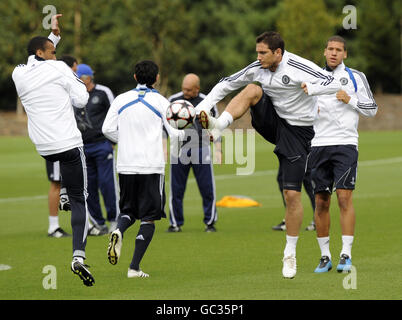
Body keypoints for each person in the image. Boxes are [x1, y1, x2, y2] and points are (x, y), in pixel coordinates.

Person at [196, 31, 341, 279]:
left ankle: (290, 253)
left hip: (299, 134)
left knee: (292, 194)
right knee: (252, 89)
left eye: (263, 53)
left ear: (278, 53)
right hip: (273, 122)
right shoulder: (258, 67)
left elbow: (335, 83)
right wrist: (200, 108)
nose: (258, 57)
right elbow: (225, 83)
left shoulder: (299, 66)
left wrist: (313, 87)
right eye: (257, 52)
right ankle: (219, 125)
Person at [12, 16, 95, 286]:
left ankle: (63, 198)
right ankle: (78, 257)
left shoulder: (19, 73)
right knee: (81, 199)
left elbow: (36, 59)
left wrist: (53, 36)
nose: (56, 54)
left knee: (63, 183)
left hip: (44, 148)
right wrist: (70, 84)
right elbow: (82, 98)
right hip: (69, 144)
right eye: (54, 51)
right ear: (42, 53)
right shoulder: (59, 68)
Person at [102, 60, 186, 278]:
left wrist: (126, 140)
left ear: (134, 77)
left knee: (128, 210)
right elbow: (175, 133)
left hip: (126, 164)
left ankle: (118, 230)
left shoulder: (121, 99)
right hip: (151, 165)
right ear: (157, 78)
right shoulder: (161, 101)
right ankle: (134, 268)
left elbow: (106, 129)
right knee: (149, 217)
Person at [311, 36, 377, 273]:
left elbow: (372, 109)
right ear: (324, 51)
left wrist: (350, 100)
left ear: (345, 54)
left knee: (344, 198)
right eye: (330, 49)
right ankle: (325, 257)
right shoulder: (312, 77)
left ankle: (345, 255)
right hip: (318, 145)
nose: (334, 53)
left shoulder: (355, 77)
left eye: (338, 50)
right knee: (321, 201)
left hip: (346, 144)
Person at [166, 73, 221, 233]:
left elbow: (216, 125)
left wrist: (218, 148)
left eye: (189, 90)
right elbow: (166, 124)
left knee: (207, 188)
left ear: (197, 89)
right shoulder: (173, 100)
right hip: (179, 149)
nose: (185, 92)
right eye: (184, 89)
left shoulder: (207, 101)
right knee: (176, 188)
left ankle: (210, 222)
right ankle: (175, 223)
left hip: (201, 148)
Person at [74, 63, 119, 235]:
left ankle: (114, 219)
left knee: (107, 183)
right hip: (83, 147)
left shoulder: (103, 92)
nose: (81, 81)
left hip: (102, 144)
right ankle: (98, 222)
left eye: (83, 78)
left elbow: (115, 114)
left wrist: (113, 141)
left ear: (89, 77)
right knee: (89, 186)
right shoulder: (74, 96)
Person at [271, 162, 316, 231]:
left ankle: (318, 220)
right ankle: (289, 219)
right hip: (288, 154)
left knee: (308, 181)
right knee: (282, 179)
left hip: (299, 154)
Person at [45, 160, 70, 237]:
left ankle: (85, 224)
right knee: (56, 183)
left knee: (77, 181)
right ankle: (53, 227)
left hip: (70, 149)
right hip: (57, 150)